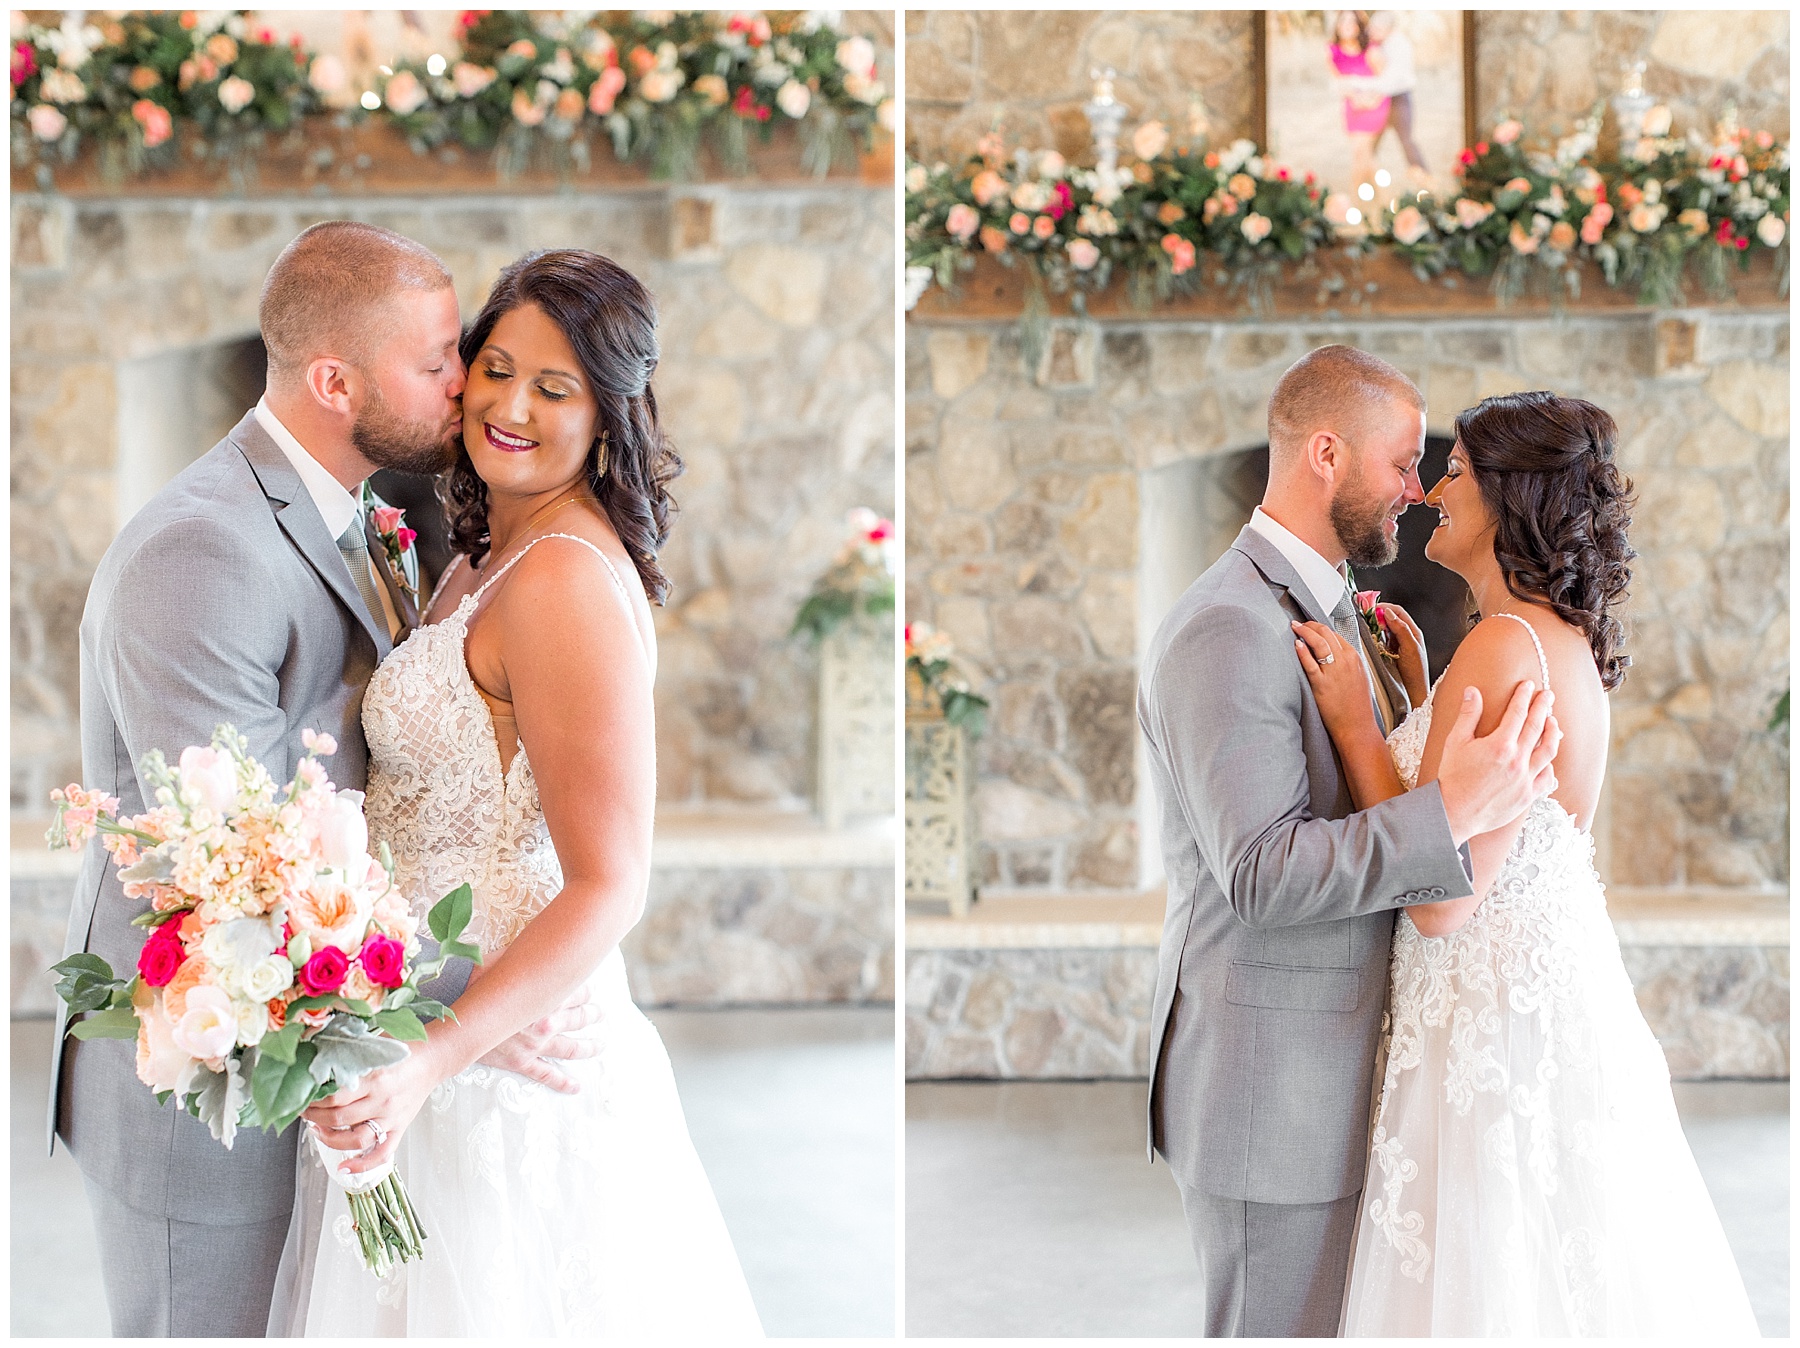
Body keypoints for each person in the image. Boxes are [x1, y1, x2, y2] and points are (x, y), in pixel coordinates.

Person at [53, 221, 599, 1337]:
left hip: (318, 1050)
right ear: (334, 379)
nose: (469, 384)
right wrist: (481, 986)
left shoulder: (362, 512)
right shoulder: (203, 551)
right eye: (440, 359)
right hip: (205, 1090)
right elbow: (248, 869)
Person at [266, 250, 763, 1337]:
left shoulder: (562, 583)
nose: (511, 406)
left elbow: (611, 881)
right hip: (421, 1031)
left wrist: (433, 1056)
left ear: (607, 412)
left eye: (556, 387)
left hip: (497, 1075)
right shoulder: (490, 550)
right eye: (495, 368)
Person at [1293, 391, 1759, 1336]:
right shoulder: (1560, 643)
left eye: (1455, 471)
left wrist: (1352, 717)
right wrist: (1423, 697)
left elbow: (1441, 897)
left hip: (1487, 1033)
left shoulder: (1506, 644)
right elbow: (1483, 816)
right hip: (1540, 1011)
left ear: (1512, 497)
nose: (1429, 491)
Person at [1138, 344, 1562, 1337]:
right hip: (1271, 1099)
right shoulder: (1229, 627)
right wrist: (1451, 810)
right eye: (1403, 462)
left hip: (1330, 1086)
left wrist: (1406, 707)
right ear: (1325, 452)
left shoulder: (1329, 606)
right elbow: (1262, 870)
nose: (1416, 494)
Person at [1367, 12, 1430, 187]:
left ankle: (1424, 180)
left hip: (1398, 97)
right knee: (1371, 142)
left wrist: (1371, 92)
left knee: (1406, 141)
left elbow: (1392, 79)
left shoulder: (1399, 45)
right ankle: (1369, 177)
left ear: (1388, 28)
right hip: (1385, 98)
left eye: (1376, 28)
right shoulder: (1381, 44)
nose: (1371, 32)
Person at [1329, 10, 1389, 194]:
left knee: (1359, 153)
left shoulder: (1371, 51)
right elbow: (1337, 81)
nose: (1347, 25)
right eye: (1343, 21)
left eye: (1351, 22)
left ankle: (1356, 199)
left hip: (1374, 106)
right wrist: (1354, 97)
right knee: (1366, 155)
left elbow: (1386, 82)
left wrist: (1369, 100)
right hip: (1352, 106)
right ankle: (1381, 199)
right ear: (1338, 25)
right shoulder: (1333, 51)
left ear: (1358, 26)